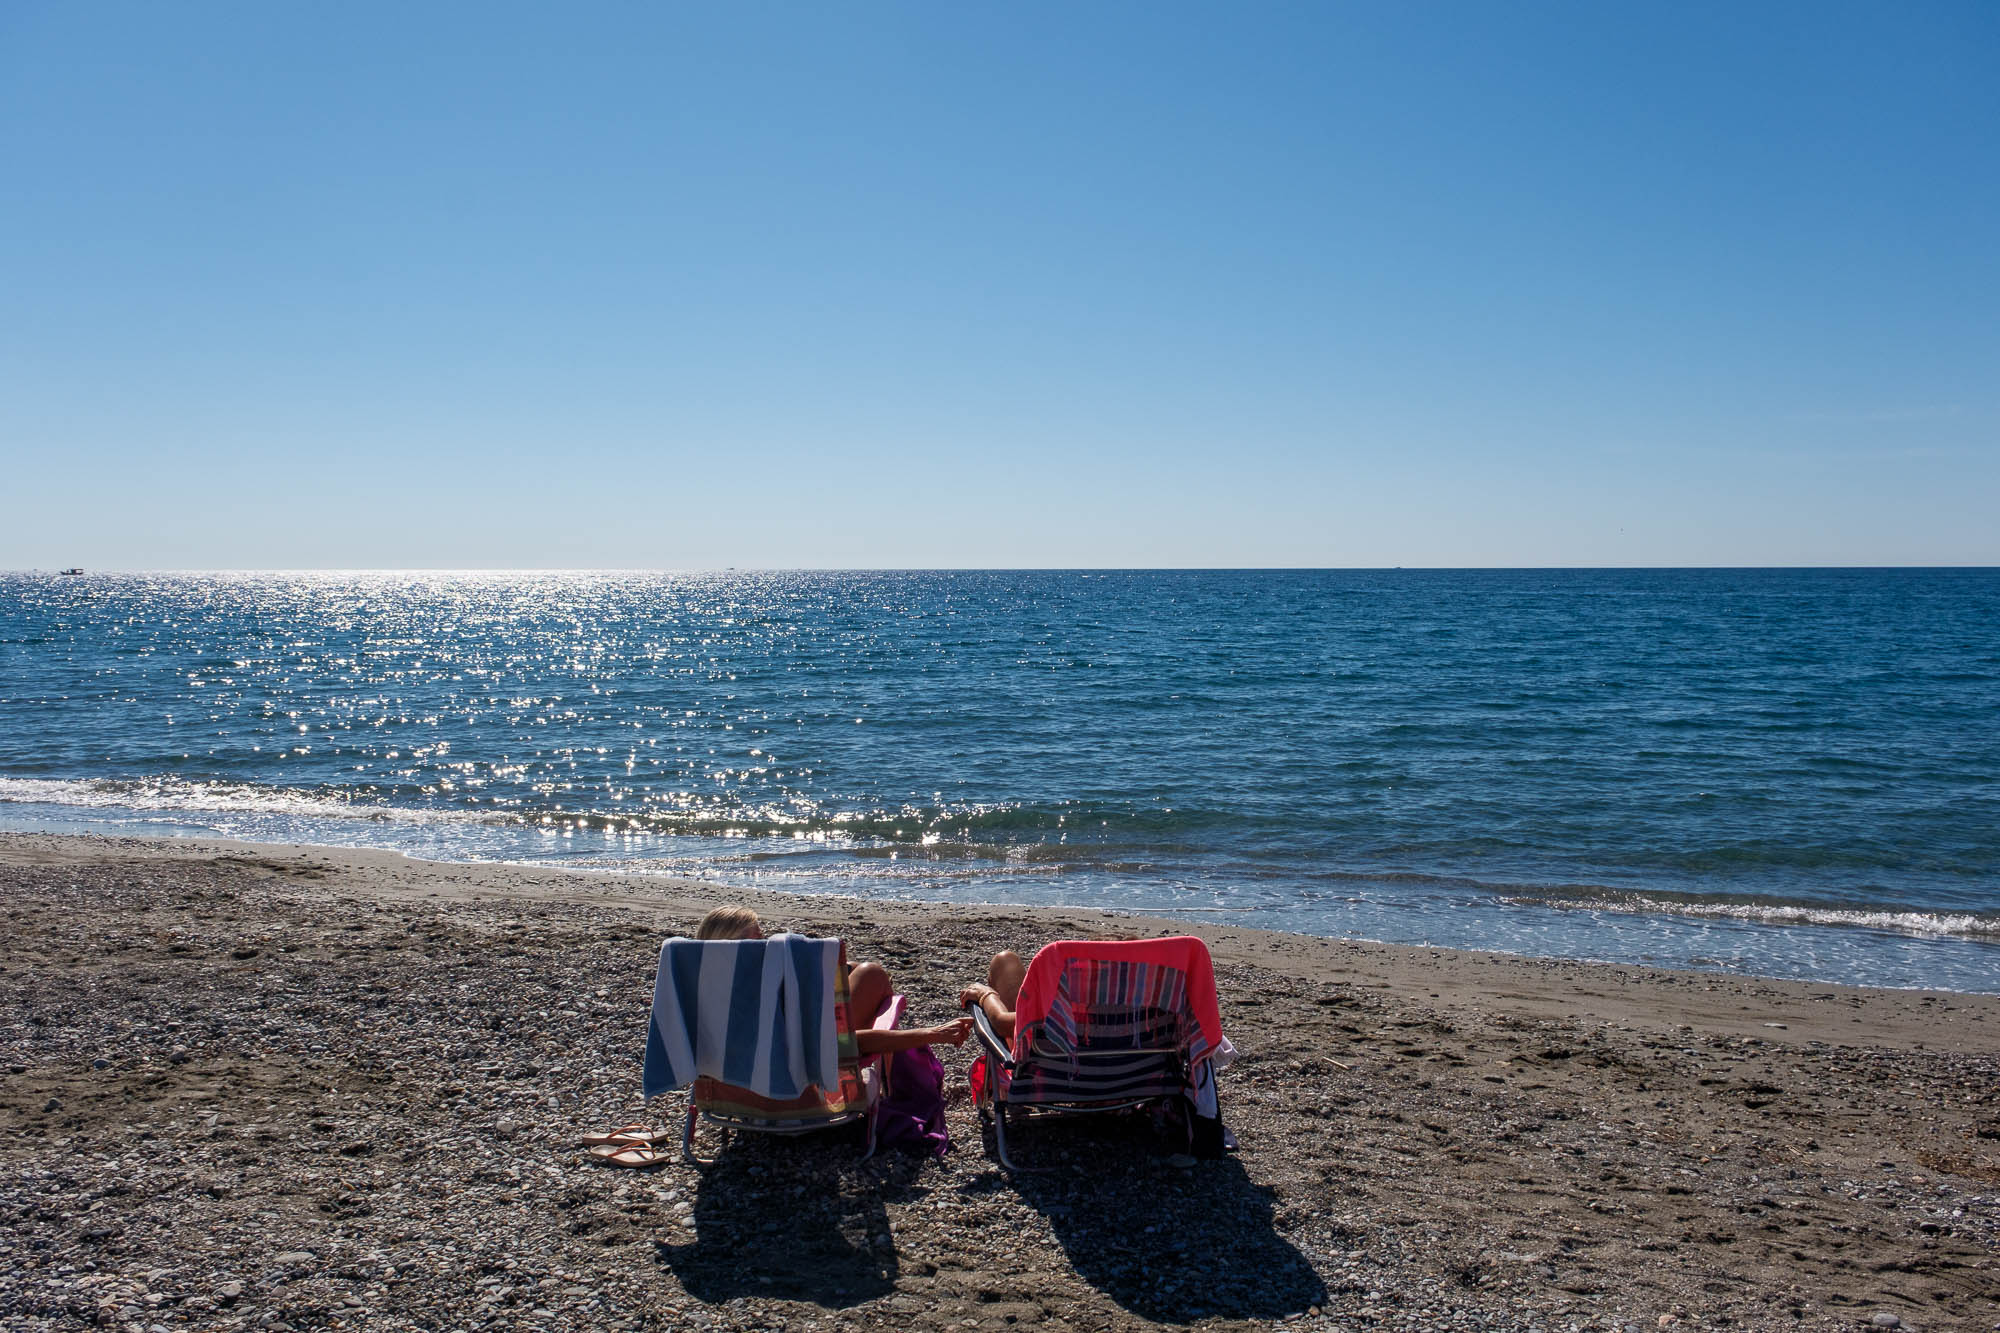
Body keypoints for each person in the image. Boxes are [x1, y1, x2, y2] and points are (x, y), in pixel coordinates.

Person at [691, 906, 970, 1055]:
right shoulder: (762, 1003)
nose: (765, 944)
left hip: (735, 1093)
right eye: (757, 940)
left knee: (861, 971)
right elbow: (839, 1045)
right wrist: (931, 1034)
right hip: (799, 1093)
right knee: (872, 973)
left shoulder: (706, 996)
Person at [956, 948, 1027, 1042]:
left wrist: (985, 995)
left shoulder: (1049, 954)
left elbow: (1005, 1025)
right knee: (1005, 960)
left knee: (1004, 962)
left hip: (1038, 1049)